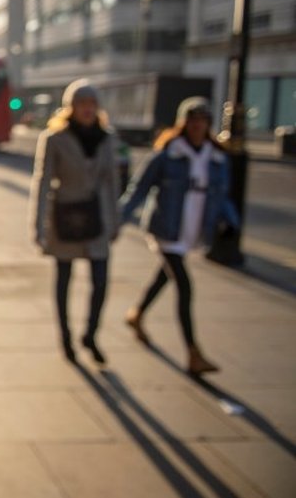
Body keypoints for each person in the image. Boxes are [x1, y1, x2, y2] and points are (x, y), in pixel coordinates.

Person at [119, 97, 239, 376]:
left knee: (164, 277)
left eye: (203, 121)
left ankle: (136, 314)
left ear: (208, 125)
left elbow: (222, 196)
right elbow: (138, 190)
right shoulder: (166, 155)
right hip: (166, 229)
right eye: (192, 120)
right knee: (184, 287)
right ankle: (193, 353)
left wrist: (231, 222)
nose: (198, 126)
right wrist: (119, 219)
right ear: (183, 123)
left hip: (193, 229)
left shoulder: (217, 157)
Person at [30, 80, 121, 364]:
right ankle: (66, 338)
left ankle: (90, 334)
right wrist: (39, 225)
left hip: (96, 217)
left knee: (101, 281)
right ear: (72, 107)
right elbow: (43, 182)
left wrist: (115, 221)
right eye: (82, 104)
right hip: (64, 217)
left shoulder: (107, 139)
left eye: (92, 104)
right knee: (64, 281)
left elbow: (112, 182)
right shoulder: (54, 138)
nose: (87, 109)